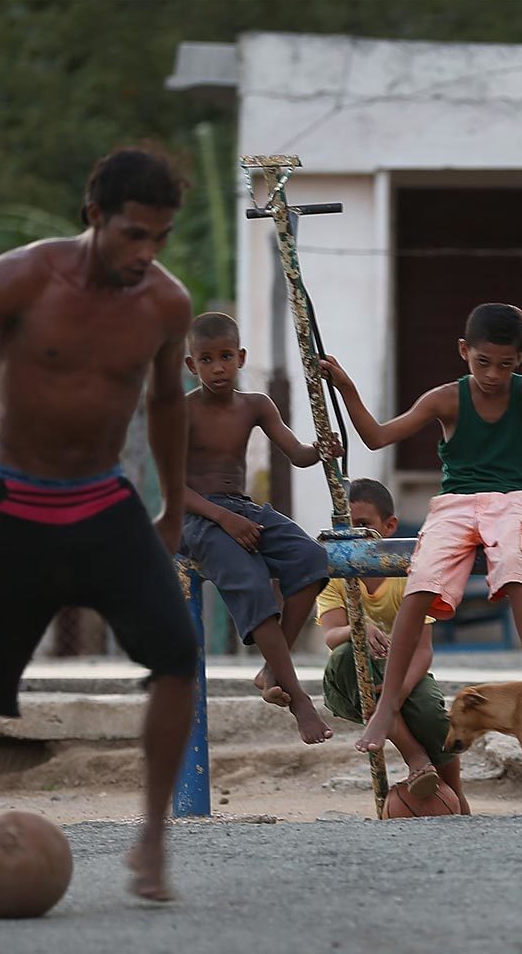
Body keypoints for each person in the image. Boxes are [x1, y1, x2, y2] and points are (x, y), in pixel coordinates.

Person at [0, 147, 196, 907]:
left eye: (159, 238)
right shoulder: (23, 278)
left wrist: (171, 501)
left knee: (177, 654)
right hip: (14, 506)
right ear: (94, 216)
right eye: (134, 234)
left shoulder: (166, 306)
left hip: (104, 503)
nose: (146, 255)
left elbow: (166, 402)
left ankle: (152, 843)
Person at [320, 302, 522, 749]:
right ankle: (388, 703)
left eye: (506, 363)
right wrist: (347, 388)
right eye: (483, 362)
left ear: (520, 359)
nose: (494, 374)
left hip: (512, 500)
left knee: (514, 565)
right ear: (463, 351)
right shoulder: (447, 399)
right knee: (422, 580)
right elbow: (377, 436)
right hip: (455, 505)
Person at [181, 310, 339, 745]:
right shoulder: (181, 411)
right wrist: (224, 519)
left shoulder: (255, 406)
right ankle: (300, 700)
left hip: (239, 507)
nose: (218, 367)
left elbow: (298, 454)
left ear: (241, 357)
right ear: (191, 365)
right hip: (197, 518)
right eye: (207, 359)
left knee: (311, 559)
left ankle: (273, 667)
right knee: (251, 582)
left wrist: (322, 449)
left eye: (226, 357)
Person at [316, 478, 469, 812]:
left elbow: (423, 650)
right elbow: (330, 636)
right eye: (344, 526)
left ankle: (456, 796)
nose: (354, 533)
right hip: (350, 684)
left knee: (430, 711)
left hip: (402, 677)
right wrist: (360, 626)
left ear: (389, 526)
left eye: (363, 525)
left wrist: (396, 696)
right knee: (346, 656)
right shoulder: (335, 573)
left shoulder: (405, 574)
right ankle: (414, 757)